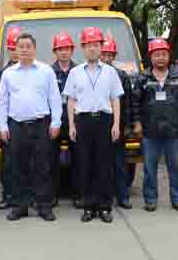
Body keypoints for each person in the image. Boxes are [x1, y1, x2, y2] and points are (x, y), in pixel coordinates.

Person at [0, 33, 63, 221]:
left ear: (34, 49)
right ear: (15, 50)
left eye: (28, 46)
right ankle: (20, 206)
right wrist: (3, 126)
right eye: (21, 46)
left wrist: (56, 122)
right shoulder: (8, 74)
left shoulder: (46, 71)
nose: (24, 50)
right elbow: (2, 101)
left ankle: (44, 206)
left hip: (41, 125)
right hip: (16, 126)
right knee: (17, 167)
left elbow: (55, 98)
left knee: (43, 167)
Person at [64, 27, 124, 223]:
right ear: (83, 48)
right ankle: (88, 206)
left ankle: (104, 207)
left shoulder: (110, 72)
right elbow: (71, 100)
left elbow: (115, 99)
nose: (92, 49)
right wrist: (72, 125)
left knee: (104, 165)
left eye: (96, 45)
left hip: (104, 121)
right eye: (88, 45)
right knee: (85, 164)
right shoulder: (75, 72)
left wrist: (116, 124)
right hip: (83, 121)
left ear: (101, 47)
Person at [134, 38, 178, 212]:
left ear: (169, 56)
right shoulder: (143, 78)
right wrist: (137, 122)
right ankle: (150, 199)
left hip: (174, 130)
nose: (160, 58)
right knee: (150, 168)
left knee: (176, 167)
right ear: (151, 57)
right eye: (156, 55)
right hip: (150, 131)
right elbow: (135, 103)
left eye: (163, 54)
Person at [101, 36, 135, 209]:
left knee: (120, 164)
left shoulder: (122, 76)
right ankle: (103, 197)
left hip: (117, 126)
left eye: (110, 55)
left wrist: (127, 126)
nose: (107, 58)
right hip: (99, 125)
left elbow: (127, 103)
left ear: (114, 56)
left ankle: (123, 197)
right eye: (104, 54)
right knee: (100, 164)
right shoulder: (93, 74)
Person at [0, 25, 23, 209]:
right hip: (9, 123)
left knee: (28, 162)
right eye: (11, 48)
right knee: (8, 162)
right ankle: (9, 195)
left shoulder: (35, 70)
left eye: (17, 48)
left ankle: (27, 197)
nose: (15, 52)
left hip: (27, 123)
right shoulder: (2, 73)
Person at [50, 32, 78, 207]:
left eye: (67, 48)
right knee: (51, 160)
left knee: (79, 159)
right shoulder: (48, 72)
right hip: (55, 122)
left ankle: (78, 194)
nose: (64, 52)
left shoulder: (79, 71)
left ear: (72, 50)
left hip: (75, 123)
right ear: (55, 51)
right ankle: (52, 194)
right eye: (60, 49)